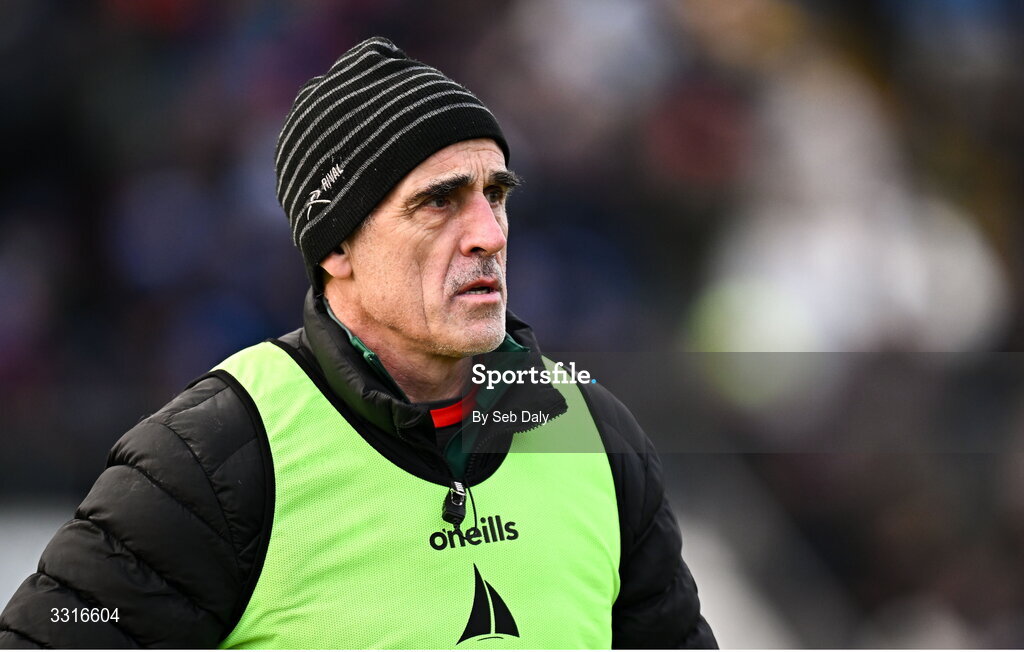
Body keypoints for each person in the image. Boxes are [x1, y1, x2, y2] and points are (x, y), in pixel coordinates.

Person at [0, 37, 716, 649]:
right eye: (440, 201)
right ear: (337, 246)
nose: (488, 234)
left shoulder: (595, 434)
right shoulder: (213, 458)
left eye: (495, 195)